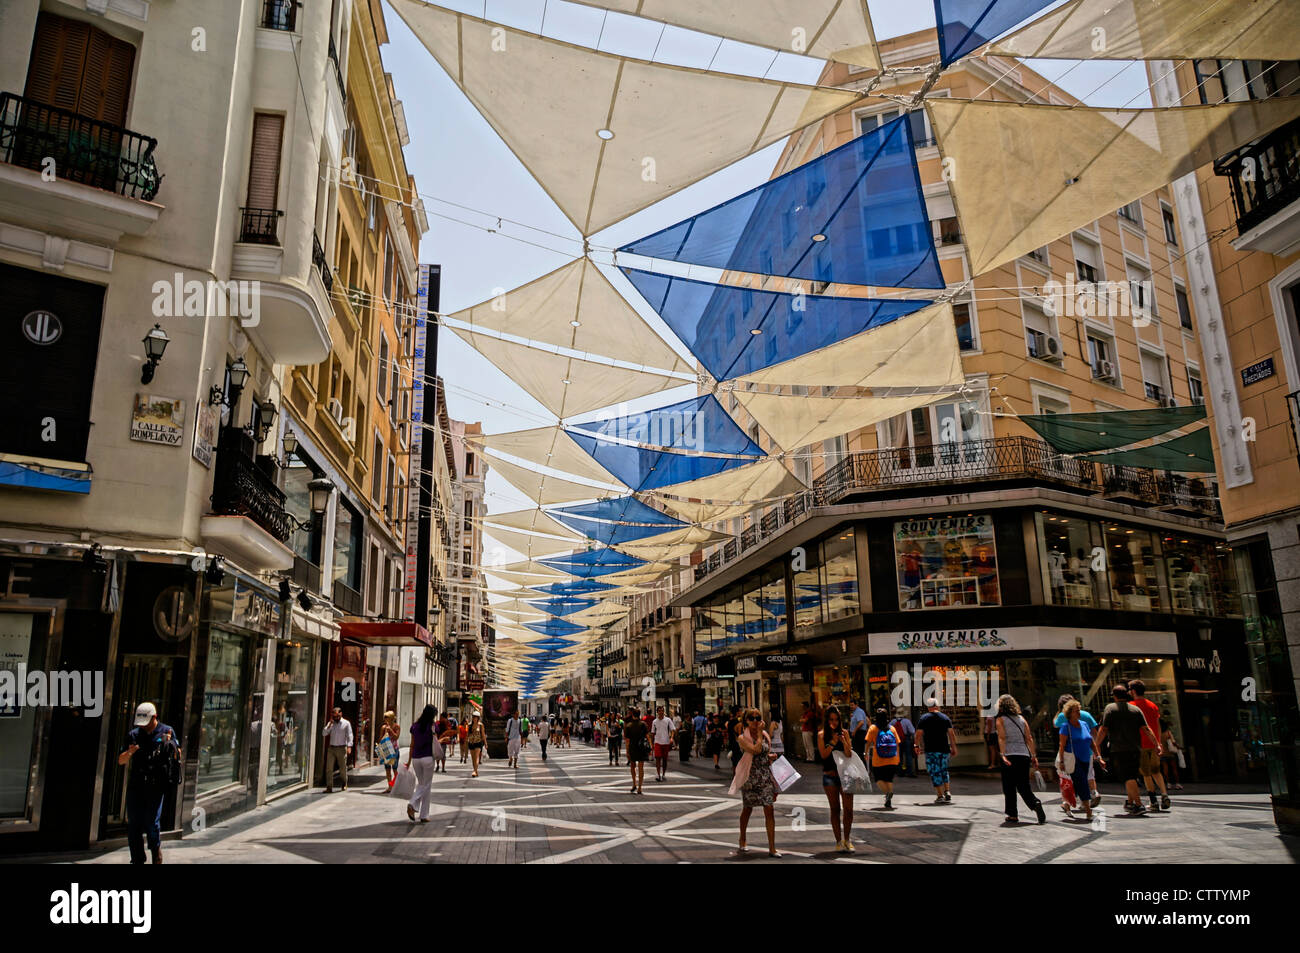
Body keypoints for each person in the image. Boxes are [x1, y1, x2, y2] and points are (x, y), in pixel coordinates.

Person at [117, 702, 179, 864]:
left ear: (154, 717)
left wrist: (169, 745)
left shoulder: (167, 731)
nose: (144, 727)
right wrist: (130, 752)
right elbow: (121, 760)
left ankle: (155, 851)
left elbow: (178, 755)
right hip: (137, 783)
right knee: (134, 824)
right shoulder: (134, 734)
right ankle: (137, 858)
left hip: (156, 784)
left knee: (152, 822)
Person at [1096, 685, 1161, 816]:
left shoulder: (1110, 708)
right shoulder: (1135, 709)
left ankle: (1138, 804)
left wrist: (1096, 745)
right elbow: (1146, 728)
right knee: (1131, 775)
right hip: (1136, 748)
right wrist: (1157, 744)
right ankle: (1130, 802)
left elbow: (1103, 729)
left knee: (1128, 776)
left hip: (1119, 749)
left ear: (1114, 696)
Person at [732, 708, 781, 857]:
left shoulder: (765, 734)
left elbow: (765, 752)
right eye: (751, 718)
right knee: (747, 809)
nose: (755, 721)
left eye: (757, 718)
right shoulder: (742, 738)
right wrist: (760, 733)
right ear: (746, 721)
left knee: (769, 809)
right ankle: (742, 838)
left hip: (765, 777)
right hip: (750, 779)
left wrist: (771, 757)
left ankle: (772, 847)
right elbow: (755, 750)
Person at [994, 694, 1047, 824]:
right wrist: (1033, 756)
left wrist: (1003, 754)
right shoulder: (1022, 719)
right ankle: (1035, 803)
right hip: (1023, 755)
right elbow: (1029, 738)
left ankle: (1012, 814)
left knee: (1009, 786)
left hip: (1010, 755)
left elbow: (1002, 738)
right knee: (1024, 785)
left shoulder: (1000, 720)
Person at [1057, 700, 1105, 822]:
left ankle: (1066, 804)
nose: (1079, 712)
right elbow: (1062, 746)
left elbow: (1092, 743)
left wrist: (1098, 757)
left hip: (1085, 758)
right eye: (1076, 711)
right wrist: (1061, 761)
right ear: (1070, 713)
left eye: (1079, 710)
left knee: (1077, 785)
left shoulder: (1084, 724)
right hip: (1074, 760)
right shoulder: (1065, 727)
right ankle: (1088, 811)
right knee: (1082, 782)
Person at [1128, 679, 1171, 812]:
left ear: (1133, 691)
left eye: (1130, 690)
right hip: (1153, 744)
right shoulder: (1153, 705)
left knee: (1146, 773)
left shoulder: (1131, 706)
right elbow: (1157, 725)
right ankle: (1164, 795)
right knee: (1156, 771)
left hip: (1141, 743)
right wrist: (1158, 742)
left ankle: (1153, 801)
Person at [818, 706, 856, 852]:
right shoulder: (822, 735)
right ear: (827, 720)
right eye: (831, 719)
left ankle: (847, 839)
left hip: (845, 775)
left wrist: (844, 741)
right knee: (835, 809)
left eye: (836, 720)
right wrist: (833, 742)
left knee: (849, 809)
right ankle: (838, 841)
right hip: (830, 775)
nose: (834, 722)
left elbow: (848, 754)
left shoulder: (844, 733)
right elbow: (823, 755)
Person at [915, 697, 957, 804]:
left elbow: (918, 734)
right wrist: (954, 747)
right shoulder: (945, 718)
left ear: (928, 707)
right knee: (944, 770)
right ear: (937, 706)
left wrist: (917, 746)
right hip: (944, 749)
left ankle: (940, 795)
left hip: (931, 750)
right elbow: (951, 734)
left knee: (935, 771)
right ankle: (947, 791)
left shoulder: (924, 718)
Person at [405, 705, 439, 823]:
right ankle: (413, 804)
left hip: (416, 758)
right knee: (426, 785)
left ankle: (423, 814)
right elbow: (435, 740)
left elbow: (412, 744)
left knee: (422, 784)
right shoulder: (432, 726)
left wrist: (409, 761)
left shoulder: (414, 726)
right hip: (427, 758)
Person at [864, 708, 901, 811]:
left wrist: (865, 753)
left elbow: (867, 742)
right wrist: (897, 756)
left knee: (878, 779)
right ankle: (888, 799)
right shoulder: (892, 729)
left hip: (878, 759)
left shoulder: (873, 728)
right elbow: (897, 743)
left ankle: (888, 794)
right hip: (892, 758)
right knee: (888, 778)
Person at [322, 706, 353, 793]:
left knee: (342, 768)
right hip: (332, 748)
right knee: (329, 768)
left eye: (337, 716)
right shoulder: (331, 723)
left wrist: (349, 746)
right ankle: (329, 787)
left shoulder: (346, 723)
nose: (336, 718)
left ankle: (344, 783)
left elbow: (349, 735)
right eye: (334, 717)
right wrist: (329, 726)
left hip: (342, 748)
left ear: (341, 714)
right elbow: (324, 733)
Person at [624, 708, 648, 794]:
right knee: (641, 767)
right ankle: (640, 787)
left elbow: (627, 740)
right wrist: (651, 746)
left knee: (632, 766)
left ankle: (634, 783)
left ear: (632, 715)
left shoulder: (629, 725)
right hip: (641, 747)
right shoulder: (643, 724)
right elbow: (647, 736)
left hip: (632, 747)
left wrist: (627, 751)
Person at [652, 705, 675, 781]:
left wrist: (671, 738)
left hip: (666, 742)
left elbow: (673, 730)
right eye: (659, 711)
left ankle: (664, 774)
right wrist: (652, 743)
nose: (661, 712)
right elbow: (653, 733)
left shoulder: (668, 720)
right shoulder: (654, 721)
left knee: (664, 759)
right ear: (657, 712)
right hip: (657, 742)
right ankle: (658, 774)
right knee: (658, 758)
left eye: (662, 710)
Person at [892, 711, 917, 777]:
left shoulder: (893, 722)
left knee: (898, 756)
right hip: (906, 739)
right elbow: (912, 731)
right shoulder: (907, 721)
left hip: (896, 740)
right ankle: (910, 772)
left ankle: (899, 772)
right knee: (908, 755)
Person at [1159, 719, 1183, 790]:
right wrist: (1179, 747)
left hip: (1163, 753)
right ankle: (1177, 783)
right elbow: (1173, 742)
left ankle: (1168, 784)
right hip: (1170, 753)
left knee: (1165, 769)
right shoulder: (1168, 733)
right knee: (1174, 769)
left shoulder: (1159, 733)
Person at [380, 711, 401, 788]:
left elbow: (396, 737)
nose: (385, 720)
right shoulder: (383, 727)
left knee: (395, 768)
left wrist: (391, 731)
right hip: (386, 749)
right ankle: (390, 786)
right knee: (387, 769)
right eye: (384, 718)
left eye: (387, 718)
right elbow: (380, 739)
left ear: (391, 718)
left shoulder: (397, 727)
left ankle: (396, 786)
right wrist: (384, 732)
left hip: (394, 749)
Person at [848, 699, 869, 764]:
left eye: (852, 705)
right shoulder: (855, 712)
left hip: (859, 734)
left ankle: (862, 768)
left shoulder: (858, 711)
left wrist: (854, 731)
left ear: (856, 705)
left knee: (858, 753)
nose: (851, 707)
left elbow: (861, 722)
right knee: (857, 753)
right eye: (850, 705)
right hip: (857, 734)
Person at [466, 712, 486, 777]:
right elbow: (467, 735)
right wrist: (466, 743)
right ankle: (476, 771)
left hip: (478, 742)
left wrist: (485, 743)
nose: (475, 718)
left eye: (476, 717)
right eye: (474, 717)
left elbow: (483, 734)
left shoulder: (480, 725)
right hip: (471, 743)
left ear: (478, 718)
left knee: (477, 757)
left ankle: (474, 771)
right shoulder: (469, 725)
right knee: (473, 758)